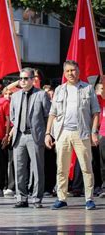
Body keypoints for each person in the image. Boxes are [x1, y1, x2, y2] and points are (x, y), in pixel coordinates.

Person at [46, 60, 100, 210]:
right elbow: (52, 113)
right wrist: (48, 133)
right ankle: (61, 198)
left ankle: (89, 198)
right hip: (62, 133)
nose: (71, 73)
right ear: (64, 73)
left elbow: (96, 112)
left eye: (73, 70)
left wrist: (94, 131)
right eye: (68, 71)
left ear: (78, 71)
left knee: (86, 167)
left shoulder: (87, 89)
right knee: (61, 167)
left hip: (81, 133)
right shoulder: (59, 90)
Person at [9, 68, 50, 208]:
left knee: (37, 168)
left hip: (35, 136)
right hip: (19, 136)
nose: (23, 81)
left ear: (33, 80)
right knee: (19, 168)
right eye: (21, 78)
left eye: (26, 78)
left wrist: (46, 134)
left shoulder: (42, 95)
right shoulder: (15, 96)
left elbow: (47, 116)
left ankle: (37, 199)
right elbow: (13, 116)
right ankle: (21, 198)